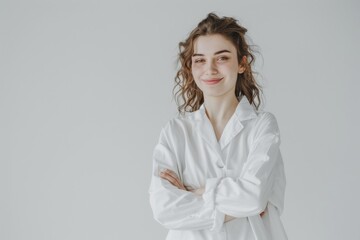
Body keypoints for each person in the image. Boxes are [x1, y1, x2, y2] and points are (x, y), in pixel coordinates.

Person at [148, 12, 288, 240]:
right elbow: (164, 208)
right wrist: (237, 203)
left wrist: (197, 192)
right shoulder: (176, 132)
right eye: (200, 59)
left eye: (222, 58)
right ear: (191, 67)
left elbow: (253, 197)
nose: (210, 69)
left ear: (242, 64)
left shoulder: (263, 126)